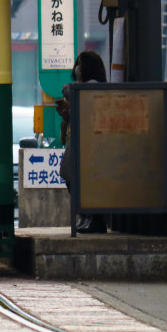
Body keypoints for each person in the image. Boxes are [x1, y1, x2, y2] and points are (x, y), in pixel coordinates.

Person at [56, 50, 108, 234]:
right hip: (82, 142)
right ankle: (87, 216)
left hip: (90, 145)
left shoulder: (91, 87)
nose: (77, 68)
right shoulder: (87, 88)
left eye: (80, 64)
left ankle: (93, 218)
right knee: (74, 178)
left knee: (81, 180)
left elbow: (67, 90)